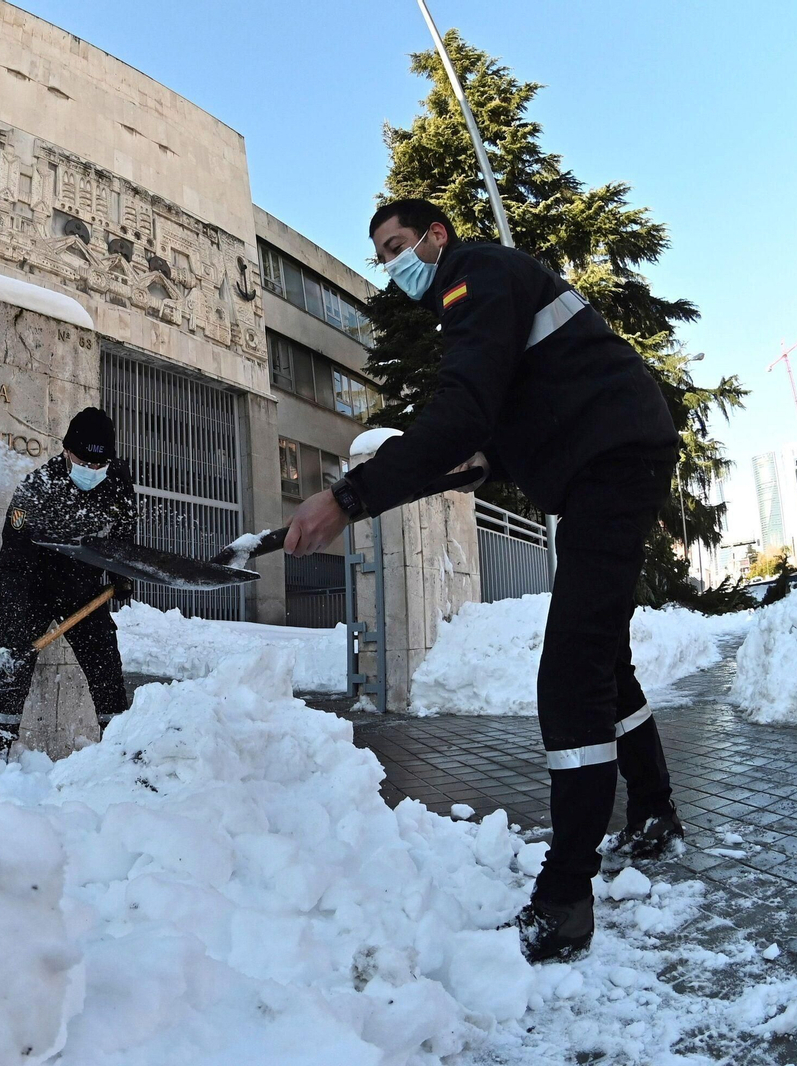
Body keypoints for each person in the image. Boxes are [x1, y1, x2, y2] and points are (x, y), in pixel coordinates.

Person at [285, 198, 684, 963]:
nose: (392, 266)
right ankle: (656, 811)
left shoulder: (475, 273)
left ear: (436, 237)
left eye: (398, 246)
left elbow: (465, 408)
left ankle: (565, 898)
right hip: (608, 460)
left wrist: (347, 498)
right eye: (381, 256)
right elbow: (497, 419)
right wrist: (476, 462)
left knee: (569, 677)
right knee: (603, 662)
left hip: (611, 462)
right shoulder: (485, 292)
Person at [0, 407, 136, 765]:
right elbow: (13, 568)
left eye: (100, 466)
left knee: (106, 666)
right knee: (13, 664)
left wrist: (120, 572)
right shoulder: (36, 489)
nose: (92, 472)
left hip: (83, 584)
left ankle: (122, 755)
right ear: (66, 450)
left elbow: (123, 532)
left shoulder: (118, 478)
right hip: (34, 582)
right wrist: (7, 634)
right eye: (84, 463)